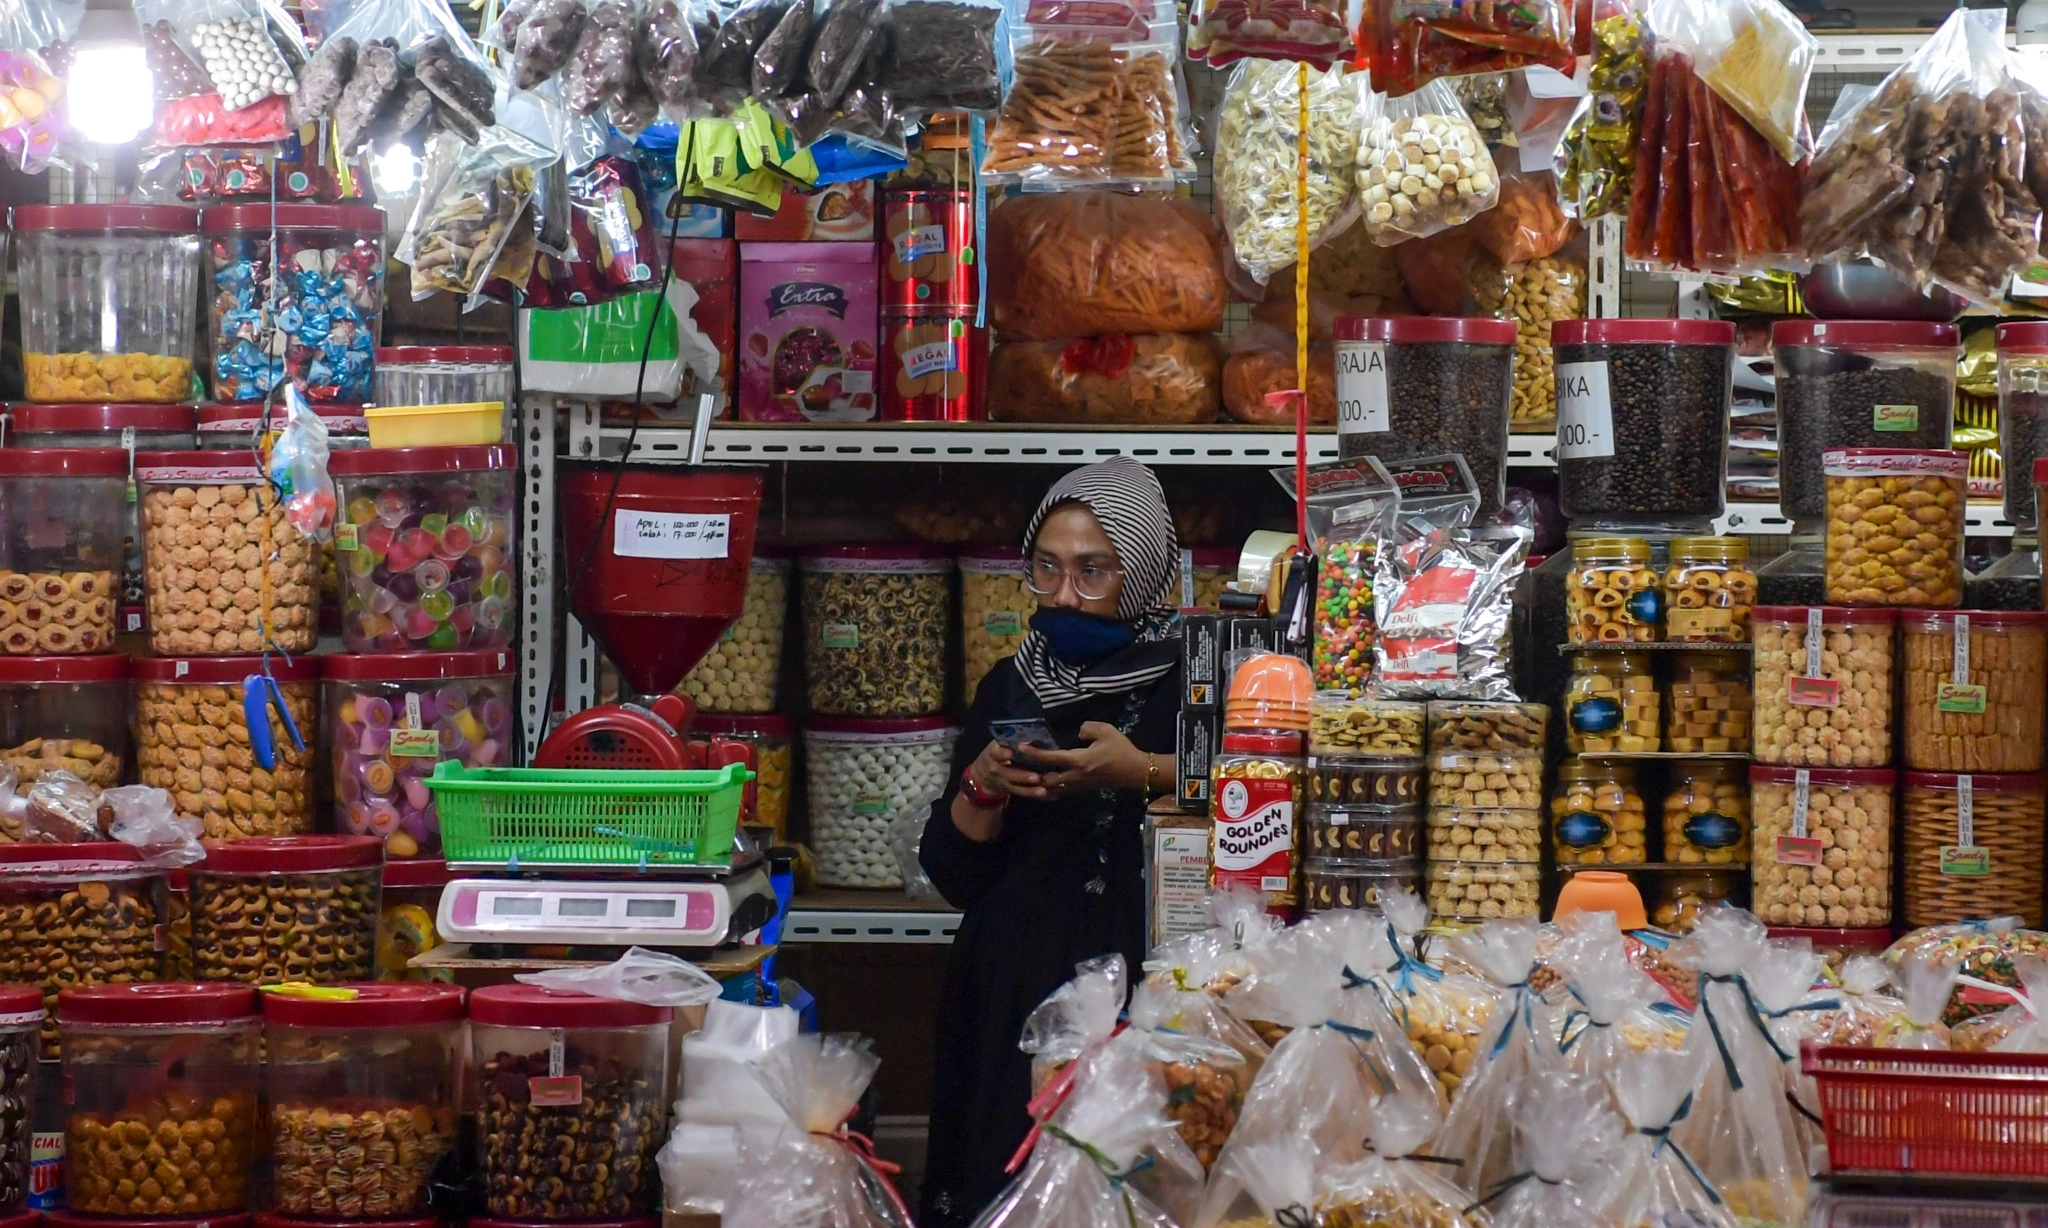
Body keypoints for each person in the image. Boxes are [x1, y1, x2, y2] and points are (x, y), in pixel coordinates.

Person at [917, 457, 1184, 1228]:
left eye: (1094, 570)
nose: (1066, 594)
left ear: (1143, 570)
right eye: (1049, 568)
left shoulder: (1196, 676)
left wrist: (1141, 772)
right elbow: (954, 873)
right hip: (1014, 984)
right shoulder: (1010, 683)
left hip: (1142, 979)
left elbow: (1251, 798)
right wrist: (985, 783)